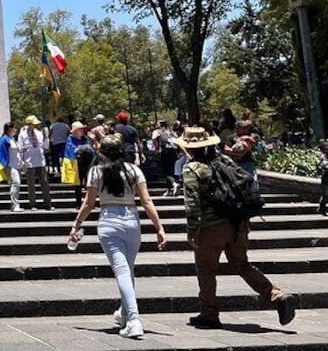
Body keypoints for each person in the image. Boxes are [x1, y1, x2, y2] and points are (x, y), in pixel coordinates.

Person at [179, 126, 297, 328]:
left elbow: (192, 203)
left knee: (206, 269)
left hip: (211, 228)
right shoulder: (225, 161)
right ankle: (276, 296)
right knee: (242, 264)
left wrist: (192, 231)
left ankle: (209, 313)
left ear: (189, 148)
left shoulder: (192, 169)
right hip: (237, 224)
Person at [69, 135, 167, 339]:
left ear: (101, 152)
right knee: (127, 269)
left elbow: (88, 203)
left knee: (122, 271)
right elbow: (147, 201)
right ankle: (124, 313)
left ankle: (133, 319)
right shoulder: (133, 170)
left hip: (108, 220)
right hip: (132, 219)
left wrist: (76, 225)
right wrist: (159, 228)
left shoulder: (96, 171)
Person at [18, 115, 52, 211]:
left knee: (44, 183)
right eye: (33, 124)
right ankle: (33, 204)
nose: (35, 126)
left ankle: (48, 203)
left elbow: (45, 146)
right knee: (31, 184)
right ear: (29, 124)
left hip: (40, 161)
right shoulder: (22, 134)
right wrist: (26, 148)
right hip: (29, 162)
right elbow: (20, 148)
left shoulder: (39, 133)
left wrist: (46, 137)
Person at [64, 122, 96, 208]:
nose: (82, 131)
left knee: (89, 183)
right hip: (76, 163)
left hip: (87, 162)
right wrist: (80, 148)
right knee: (77, 184)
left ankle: (90, 202)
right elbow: (71, 150)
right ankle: (79, 203)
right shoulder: (70, 139)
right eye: (80, 129)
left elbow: (91, 149)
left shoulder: (85, 138)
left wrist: (91, 142)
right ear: (75, 131)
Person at [0, 122, 24, 212]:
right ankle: (14, 205)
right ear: (9, 129)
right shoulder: (4, 139)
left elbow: (18, 149)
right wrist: (3, 163)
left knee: (16, 184)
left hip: (17, 165)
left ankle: (15, 204)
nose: (15, 130)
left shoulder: (13, 139)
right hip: (10, 165)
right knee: (16, 182)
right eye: (14, 128)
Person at [318, 140, 328, 216]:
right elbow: (323, 164)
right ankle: (322, 208)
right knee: (325, 194)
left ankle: (321, 208)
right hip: (325, 177)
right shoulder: (322, 156)